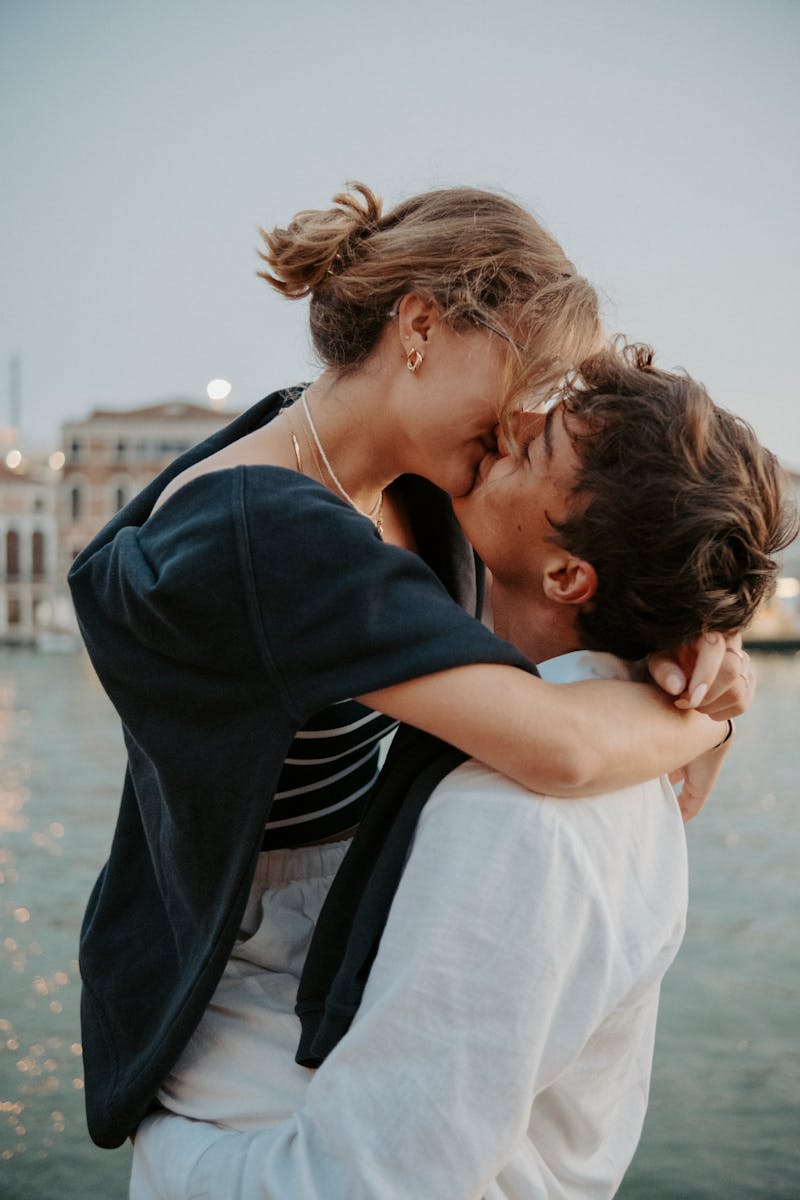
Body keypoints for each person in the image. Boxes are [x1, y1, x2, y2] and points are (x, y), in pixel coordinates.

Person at [69, 185, 746, 1152]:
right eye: (528, 378)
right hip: (248, 963)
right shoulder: (266, 531)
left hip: (361, 911)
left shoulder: (400, 486)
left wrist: (685, 640)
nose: (521, 420)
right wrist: (709, 717)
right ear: (420, 326)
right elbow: (555, 746)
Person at [129, 344, 797, 1199]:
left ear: (566, 574)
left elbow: (367, 1185)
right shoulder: (615, 723)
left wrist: (162, 1139)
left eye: (534, 450)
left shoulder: (513, 819)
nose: (508, 425)